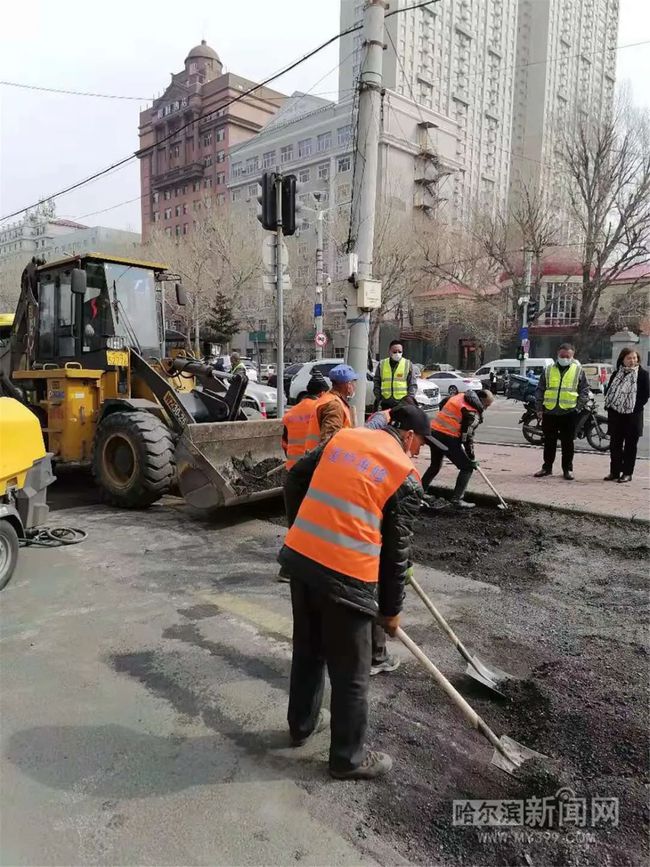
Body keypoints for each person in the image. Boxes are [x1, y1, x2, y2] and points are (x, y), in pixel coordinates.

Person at [278, 404, 429, 779]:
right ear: (408, 436)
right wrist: (391, 612)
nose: (419, 452)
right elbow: (396, 556)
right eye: (421, 443)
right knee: (352, 674)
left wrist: (303, 529)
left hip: (302, 560)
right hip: (347, 579)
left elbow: (294, 478)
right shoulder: (404, 475)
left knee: (309, 649)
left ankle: (301, 726)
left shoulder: (342, 439)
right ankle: (348, 758)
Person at [422, 389, 495, 508]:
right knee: (467, 468)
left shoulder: (459, 396)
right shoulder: (472, 412)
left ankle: (419, 492)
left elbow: (443, 404)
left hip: (434, 432)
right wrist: (471, 457)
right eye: (486, 405)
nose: (485, 409)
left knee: (435, 465)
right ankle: (457, 500)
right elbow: (467, 437)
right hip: (447, 438)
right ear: (481, 400)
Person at [534, 343, 589, 481]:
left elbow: (584, 390)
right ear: (557, 355)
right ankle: (547, 468)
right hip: (550, 411)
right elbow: (540, 389)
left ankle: (567, 469)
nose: (564, 358)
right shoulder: (548, 370)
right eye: (562, 356)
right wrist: (539, 408)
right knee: (549, 442)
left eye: (567, 356)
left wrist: (578, 407)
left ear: (572, 356)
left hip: (569, 413)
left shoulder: (578, 370)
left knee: (568, 444)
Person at [604, 348, 649, 483]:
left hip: (633, 415)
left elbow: (645, 395)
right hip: (616, 415)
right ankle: (615, 472)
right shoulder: (617, 374)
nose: (632, 361)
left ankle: (627, 473)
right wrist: (613, 408)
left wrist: (632, 407)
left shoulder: (642, 374)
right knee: (615, 445)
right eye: (629, 358)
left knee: (630, 445)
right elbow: (610, 392)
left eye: (634, 358)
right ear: (622, 359)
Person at [281, 371, 329, 471]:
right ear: (322, 393)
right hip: (313, 467)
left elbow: (284, 444)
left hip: (293, 467)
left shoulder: (290, 413)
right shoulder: (321, 410)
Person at [304, 363, 357, 450]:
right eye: (354, 382)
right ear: (348, 385)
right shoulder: (334, 405)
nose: (355, 386)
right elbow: (329, 441)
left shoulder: (327, 398)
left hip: (316, 457)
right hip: (327, 460)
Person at [373, 340, 417, 410]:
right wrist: (379, 397)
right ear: (389, 352)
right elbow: (376, 381)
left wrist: (409, 399)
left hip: (402, 403)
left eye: (400, 352)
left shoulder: (408, 364)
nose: (397, 354)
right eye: (394, 352)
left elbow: (412, 384)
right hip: (386, 402)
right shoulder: (382, 364)